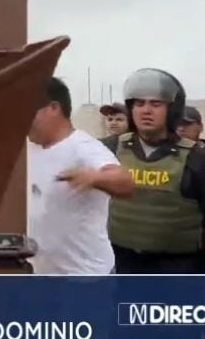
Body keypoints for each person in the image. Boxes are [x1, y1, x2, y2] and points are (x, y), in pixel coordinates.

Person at [105, 68, 205, 274]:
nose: (146, 110)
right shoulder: (110, 149)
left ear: (172, 110)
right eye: (139, 103)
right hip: (124, 266)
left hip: (181, 270)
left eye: (156, 104)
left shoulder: (199, 158)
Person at [26, 77, 133, 274]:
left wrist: (95, 178)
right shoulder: (28, 150)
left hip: (85, 277)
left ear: (53, 108)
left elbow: (125, 181)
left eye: (27, 111)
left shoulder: (83, 148)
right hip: (41, 276)